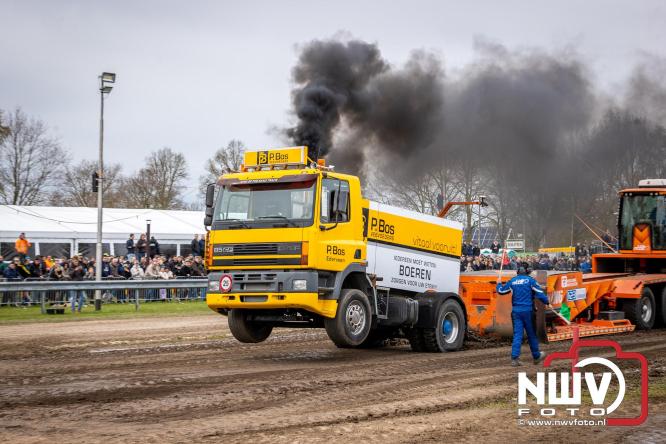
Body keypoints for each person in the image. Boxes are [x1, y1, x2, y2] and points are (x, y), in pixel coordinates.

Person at [496, 262, 552, 367]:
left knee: (517, 335)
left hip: (516, 312)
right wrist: (547, 302)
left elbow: (501, 291)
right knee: (531, 334)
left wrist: (498, 283)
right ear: (527, 271)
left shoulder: (512, 281)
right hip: (528, 312)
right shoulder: (531, 281)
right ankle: (536, 356)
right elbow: (540, 294)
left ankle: (514, 358)